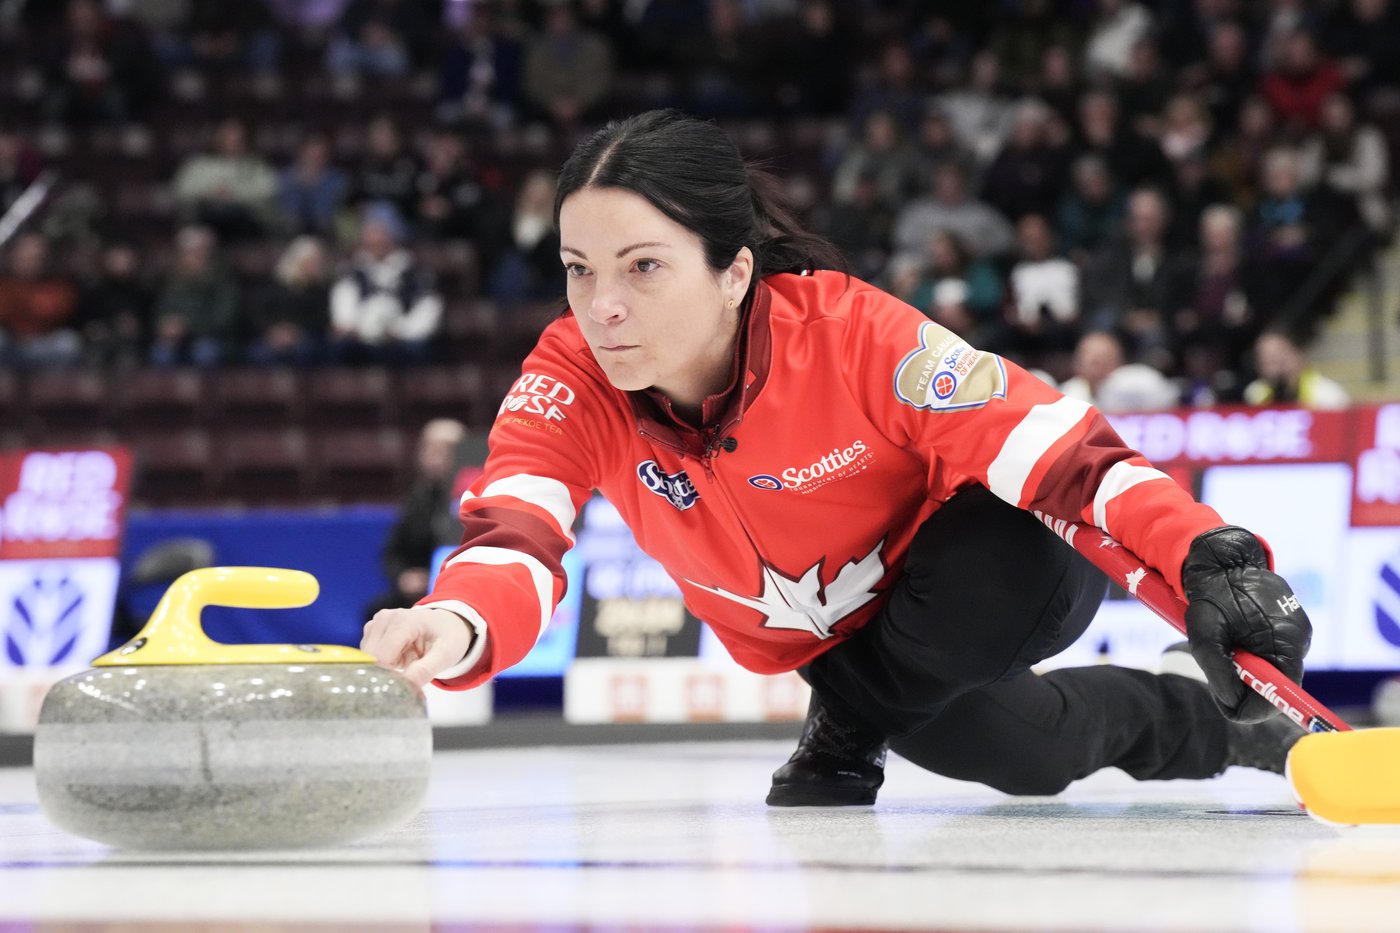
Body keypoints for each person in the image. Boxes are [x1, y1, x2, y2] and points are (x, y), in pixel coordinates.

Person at [361, 111, 1311, 808]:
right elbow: (517, 531)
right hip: (855, 651)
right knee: (1034, 757)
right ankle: (1220, 726)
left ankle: (851, 716)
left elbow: (1056, 448)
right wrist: (455, 620)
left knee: (998, 562)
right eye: (578, 269)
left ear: (734, 271)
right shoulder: (570, 376)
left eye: (643, 266)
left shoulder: (850, 331)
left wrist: (1211, 557)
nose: (601, 306)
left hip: (1004, 563)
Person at [364, 419, 472, 618]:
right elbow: (394, 552)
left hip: (465, 591)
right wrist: (404, 576)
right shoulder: (418, 498)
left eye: (446, 450)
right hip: (421, 592)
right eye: (429, 448)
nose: (435, 457)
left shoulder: (480, 496)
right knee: (378, 613)